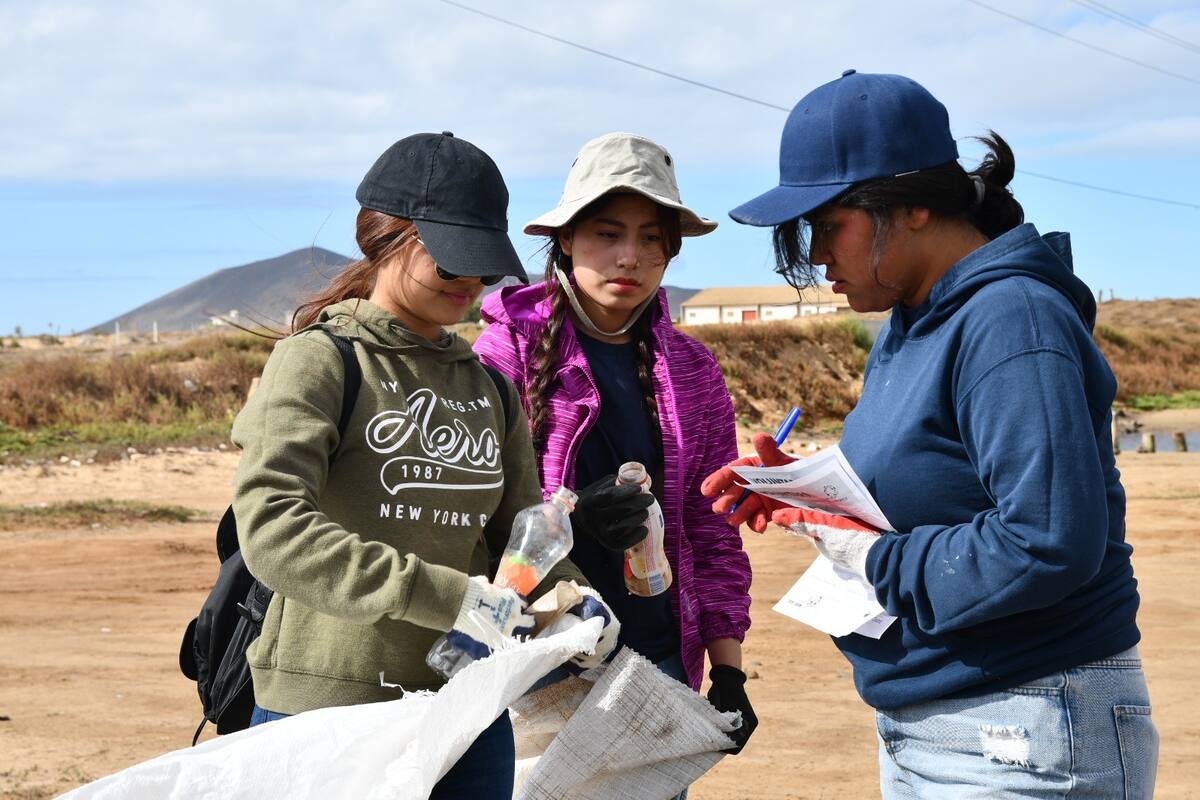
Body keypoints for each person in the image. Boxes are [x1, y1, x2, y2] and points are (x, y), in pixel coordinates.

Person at [702, 70, 1158, 798]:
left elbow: (1048, 541)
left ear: (911, 205)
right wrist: (811, 493)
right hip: (937, 722)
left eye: (827, 224)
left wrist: (871, 555)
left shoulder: (1011, 319)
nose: (818, 256)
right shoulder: (912, 320)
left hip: (1026, 722)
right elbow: (943, 490)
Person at [230, 131, 617, 799]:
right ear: (385, 240)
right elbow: (272, 530)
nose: (469, 284)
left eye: (482, 267)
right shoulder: (323, 362)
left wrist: (574, 601)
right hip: (329, 712)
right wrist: (451, 598)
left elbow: (520, 538)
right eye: (450, 265)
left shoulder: (488, 387)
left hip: (466, 709)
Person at [474, 132, 758, 768]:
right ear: (566, 238)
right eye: (608, 233)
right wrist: (569, 520)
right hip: (533, 658)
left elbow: (710, 532)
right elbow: (475, 516)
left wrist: (728, 669)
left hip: (655, 662)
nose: (630, 256)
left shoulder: (693, 372)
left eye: (651, 237)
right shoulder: (503, 356)